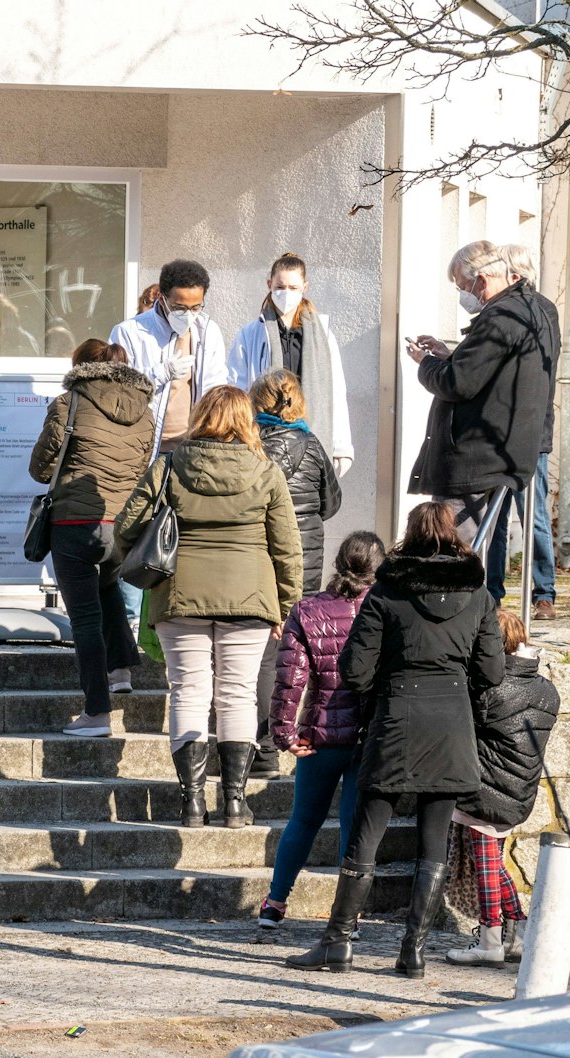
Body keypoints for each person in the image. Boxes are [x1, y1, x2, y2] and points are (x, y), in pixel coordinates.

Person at [287, 502, 504, 977]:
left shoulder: (386, 592)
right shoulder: (479, 594)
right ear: (453, 534)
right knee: (432, 847)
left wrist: (389, 680)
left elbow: (354, 670)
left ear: (409, 534)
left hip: (394, 722)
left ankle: (338, 943)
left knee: (365, 836)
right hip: (451, 725)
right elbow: (491, 671)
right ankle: (414, 952)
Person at [116, 386, 302, 829]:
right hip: (251, 598)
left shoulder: (170, 465)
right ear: (246, 420)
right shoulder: (266, 470)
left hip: (180, 595)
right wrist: (288, 605)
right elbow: (288, 548)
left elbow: (126, 527)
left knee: (188, 691)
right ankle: (235, 803)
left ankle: (192, 803)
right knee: (236, 693)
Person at [257, 530, 385, 933]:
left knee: (304, 821)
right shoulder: (386, 610)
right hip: (368, 735)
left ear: (338, 563)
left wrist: (283, 732)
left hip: (320, 732)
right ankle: (349, 915)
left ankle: (275, 904)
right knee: (355, 827)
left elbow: (290, 679)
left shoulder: (308, 610)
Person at [28, 339, 155, 736]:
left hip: (74, 523)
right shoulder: (146, 413)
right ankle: (120, 671)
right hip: (122, 525)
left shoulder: (69, 403)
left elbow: (40, 467)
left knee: (84, 617)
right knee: (108, 586)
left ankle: (96, 713)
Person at [405, 240, 557, 555]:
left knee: (452, 556)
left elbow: (458, 383)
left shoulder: (500, 316)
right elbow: (492, 374)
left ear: (482, 280)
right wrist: (450, 356)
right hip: (502, 452)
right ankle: (485, 600)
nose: (462, 294)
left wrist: (426, 363)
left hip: (474, 459)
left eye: (463, 286)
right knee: (479, 550)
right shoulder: (530, 309)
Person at [446, 609, 561, 966]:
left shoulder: (487, 686)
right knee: (493, 864)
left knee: (487, 866)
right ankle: (520, 933)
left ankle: (491, 941)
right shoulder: (545, 688)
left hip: (485, 790)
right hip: (518, 792)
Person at [248, 369, 343, 776]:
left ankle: (263, 748)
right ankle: (283, 737)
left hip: (260, 554)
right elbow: (331, 502)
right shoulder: (312, 443)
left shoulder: (250, 445)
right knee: (293, 651)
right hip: (305, 557)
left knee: (262, 654)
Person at [482, 243, 560, 620]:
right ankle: (493, 592)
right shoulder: (503, 308)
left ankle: (543, 592)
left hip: (531, 435)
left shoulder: (541, 310)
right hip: (498, 435)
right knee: (496, 519)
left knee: (533, 515)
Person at [227, 253, 355, 473]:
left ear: (305, 287)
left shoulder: (321, 335)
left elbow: (334, 391)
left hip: (308, 438)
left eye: (293, 288)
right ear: (269, 284)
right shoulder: (251, 333)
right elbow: (236, 386)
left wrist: (341, 447)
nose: (286, 293)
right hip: (262, 437)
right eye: (280, 286)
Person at [110, 259, 231, 453]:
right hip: (142, 445)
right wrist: (159, 373)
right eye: (179, 308)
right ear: (161, 297)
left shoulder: (208, 331)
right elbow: (116, 390)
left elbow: (215, 386)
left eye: (196, 307)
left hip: (190, 445)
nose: (188, 315)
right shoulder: (130, 332)